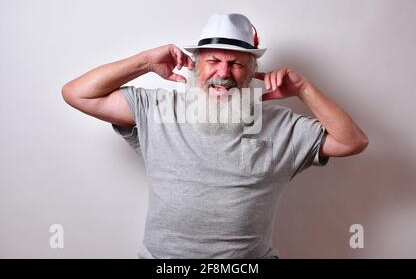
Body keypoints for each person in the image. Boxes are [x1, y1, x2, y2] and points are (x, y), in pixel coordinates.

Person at [62, 13, 369, 258]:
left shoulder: (280, 125)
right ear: (196, 67)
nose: (223, 73)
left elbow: (351, 141)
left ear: (251, 73)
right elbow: (78, 94)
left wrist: (303, 90)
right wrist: (144, 61)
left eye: (235, 63)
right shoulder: (158, 107)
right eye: (213, 61)